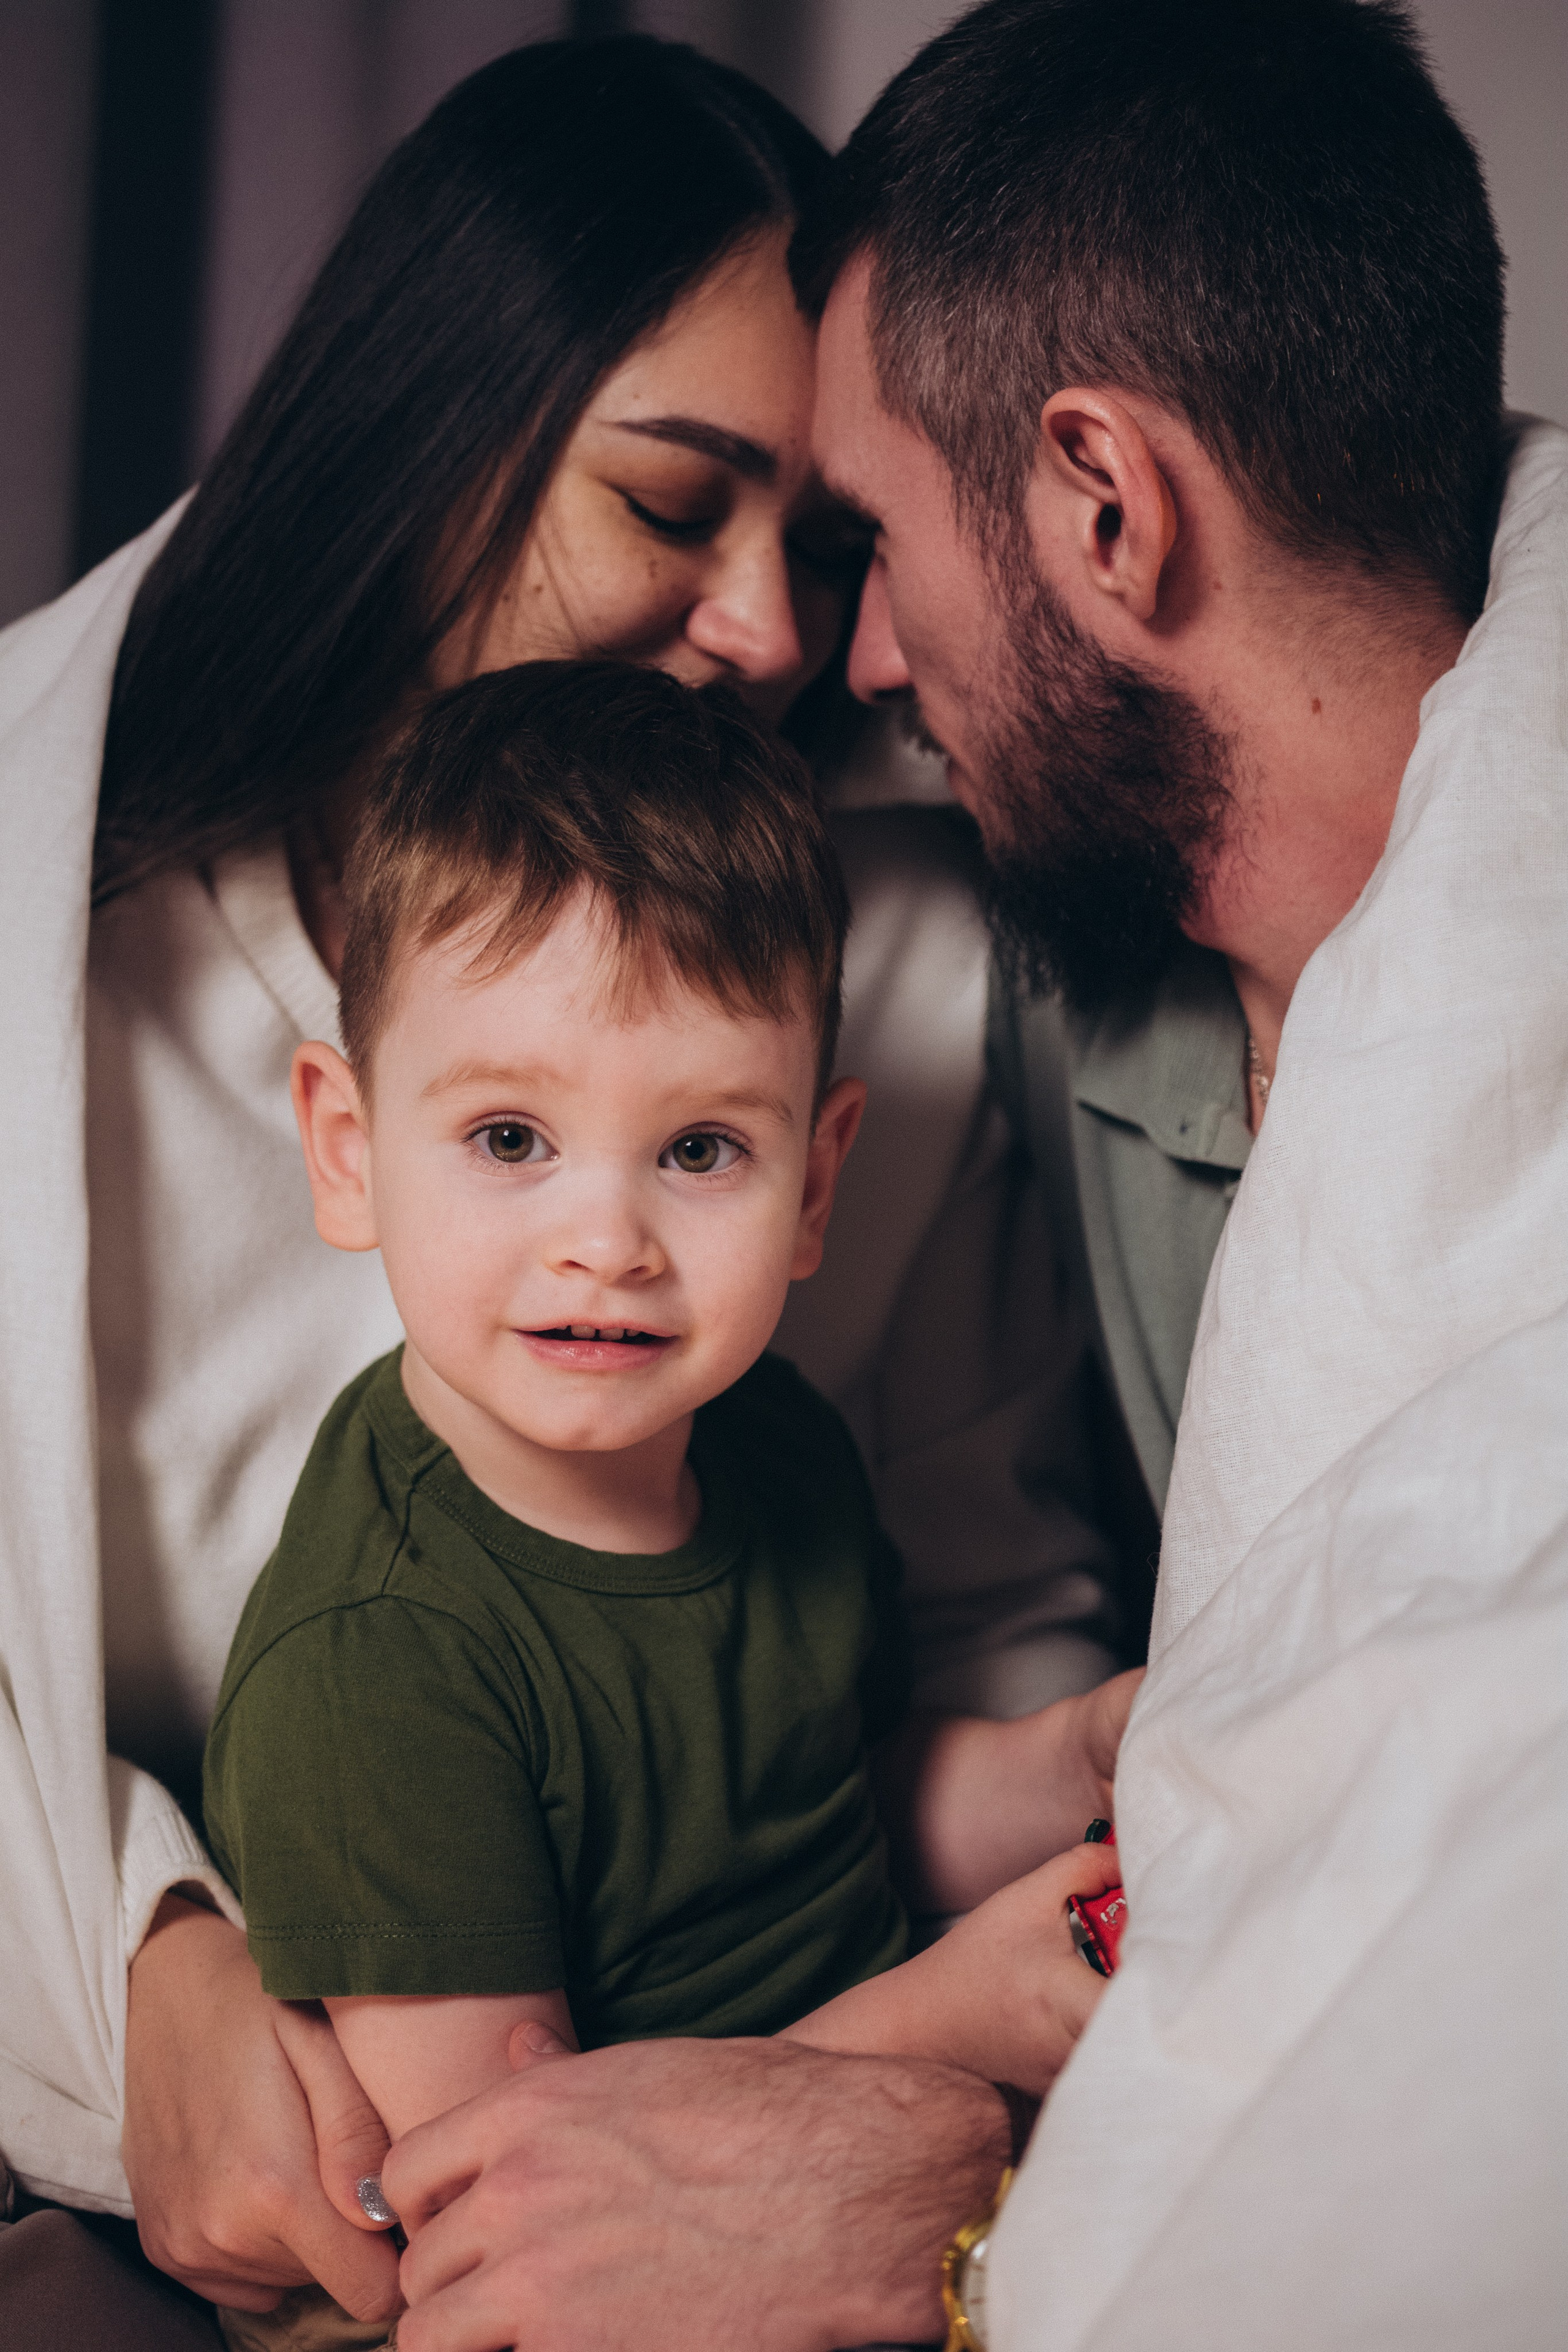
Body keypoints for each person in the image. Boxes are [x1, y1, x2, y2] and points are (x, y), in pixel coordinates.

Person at [368, 3, 1568, 2345]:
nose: (858, 657)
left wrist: (945, 2224)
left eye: (882, 541)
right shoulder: (1044, 949)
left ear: (1107, 505)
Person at [0, 33, 1129, 2345]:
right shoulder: (69, 967)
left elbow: (940, 1651)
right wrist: (142, 1968)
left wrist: (1061, 1842)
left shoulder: (886, 968)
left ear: (802, 1172)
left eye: (821, 545)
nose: (779, 637)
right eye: (673, 504)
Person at [205, 658, 1131, 2351]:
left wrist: (1071, 1762)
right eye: (507, 1138)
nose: (608, 1242)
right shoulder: (378, 1665)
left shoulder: (769, 1441)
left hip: (841, 2183)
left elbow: (846, 1803)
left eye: (699, 1150)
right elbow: (539, 2199)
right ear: (347, 1149)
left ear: (816, 1182)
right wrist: (953, 2015)